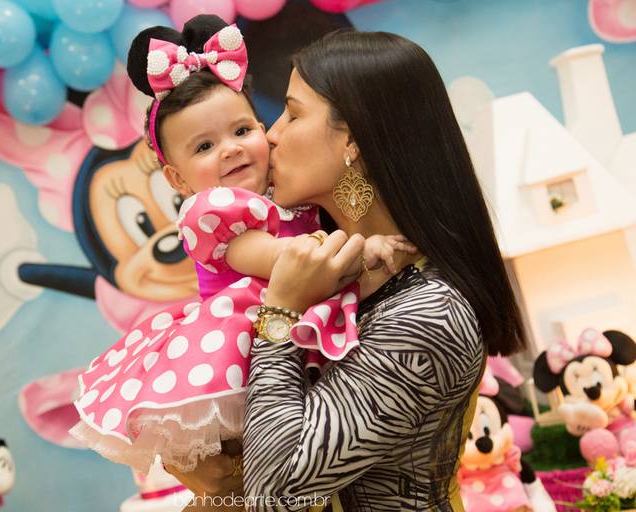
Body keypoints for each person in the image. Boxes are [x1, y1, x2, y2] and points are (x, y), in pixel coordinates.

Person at [169, 30, 528, 512]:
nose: (270, 134)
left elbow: (274, 495)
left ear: (353, 140)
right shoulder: (335, 274)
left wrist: (280, 313)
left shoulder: (429, 311)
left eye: (293, 113)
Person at [70, 16, 414, 498]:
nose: (231, 150)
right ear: (177, 179)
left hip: (291, 334)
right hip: (244, 347)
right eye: (205, 146)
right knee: (244, 472)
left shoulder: (286, 194)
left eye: (242, 130)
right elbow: (288, 261)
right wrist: (363, 250)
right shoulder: (214, 210)